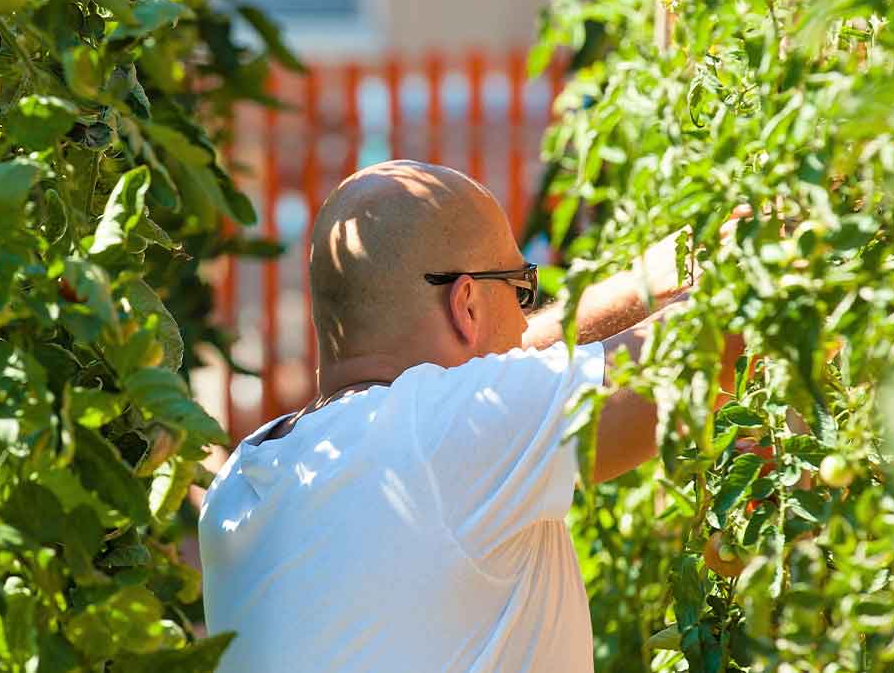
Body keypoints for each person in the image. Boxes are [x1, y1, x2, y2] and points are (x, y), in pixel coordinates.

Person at [198, 160, 743, 672]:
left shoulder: (244, 484)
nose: (527, 315)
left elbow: (511, 362)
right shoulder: (441, 441)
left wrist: (648, 282)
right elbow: (718, 342)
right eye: (520, 288)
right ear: (467, 306)